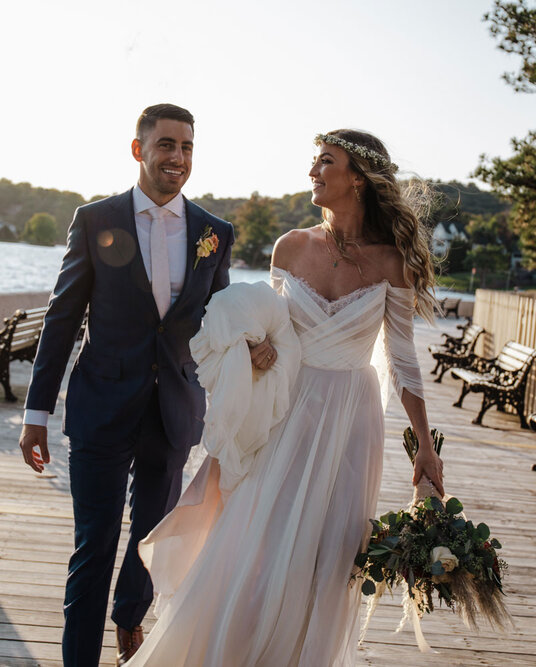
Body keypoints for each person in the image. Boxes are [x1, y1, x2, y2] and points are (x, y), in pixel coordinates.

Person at [126, 129, 445, 665]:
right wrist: (255, 349)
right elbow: (270, 328)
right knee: (258, 537)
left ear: (359, 178)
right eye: (314, 161)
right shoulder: (291, 247)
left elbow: (404, 360)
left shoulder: (394, 263)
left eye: (326, 162)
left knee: (330, 553)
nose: (313, 171)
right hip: (284, 409)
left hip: (351, 418)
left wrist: (426, 449)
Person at [17, 103, 243, 666]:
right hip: (102, 408)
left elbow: (219, 320)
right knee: (93, 548)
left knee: (153, 540)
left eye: (187, 147)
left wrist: (253, 345)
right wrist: (36, 413)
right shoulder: (96, 220)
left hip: (174, 413)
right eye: (166, 145)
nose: (178, 158)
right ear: (139, 149)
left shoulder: (214, 232)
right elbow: (62, 318)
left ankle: (129, 619)